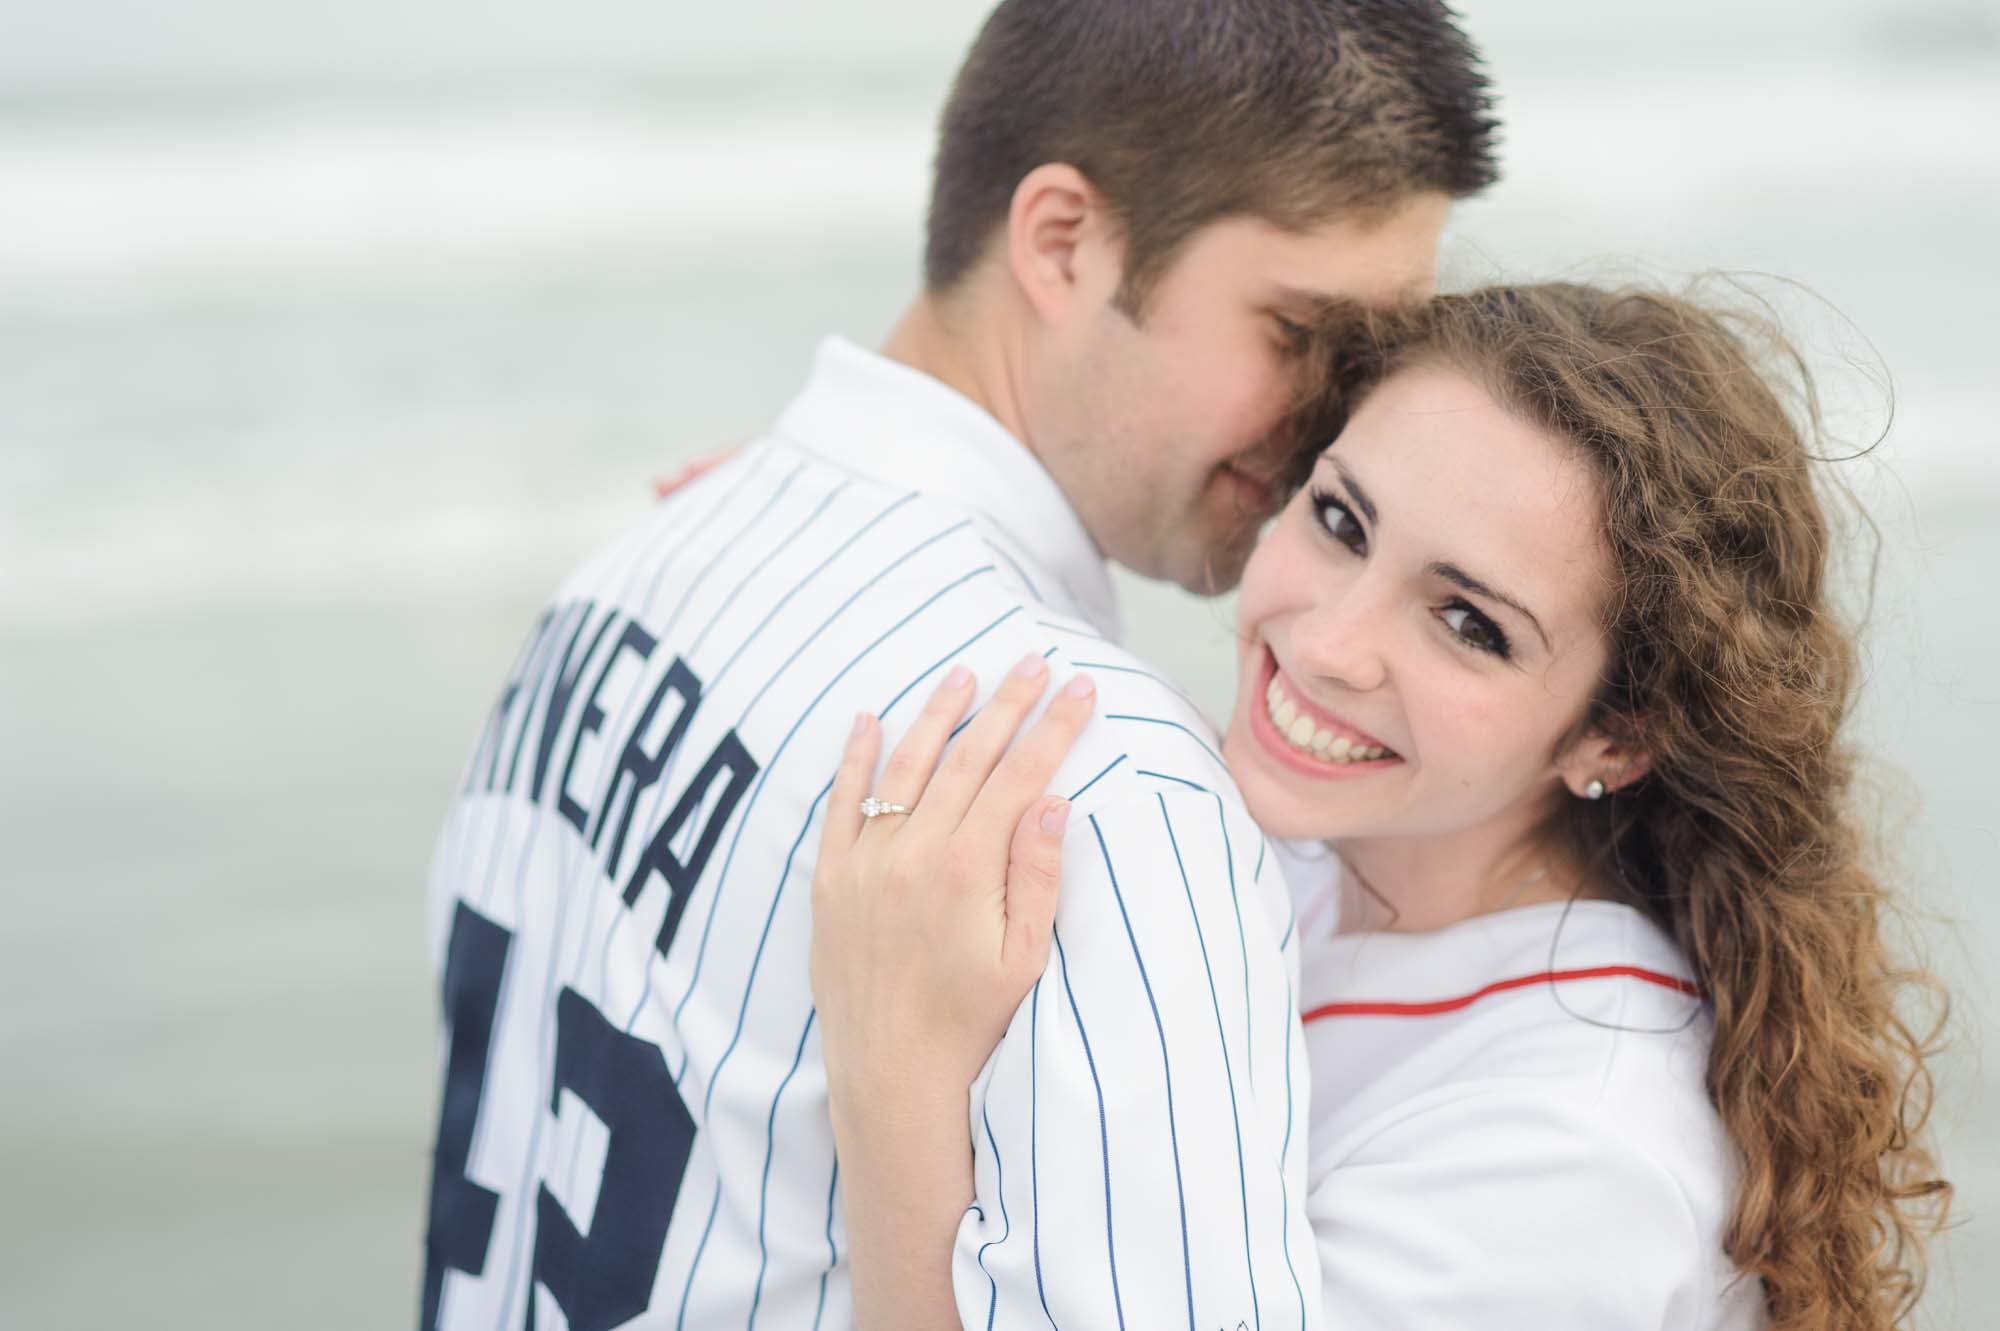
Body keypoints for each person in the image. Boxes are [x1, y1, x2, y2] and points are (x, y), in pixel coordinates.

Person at [416, 2, 1498, 1328]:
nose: (1343, 412)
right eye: (1297, 333)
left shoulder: (618, 581)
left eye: (1369, 355)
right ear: (1064, 242)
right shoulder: (1096, 798)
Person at [808, 282, 1952, 1330]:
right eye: (1341, 522)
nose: (1326, 640)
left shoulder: (1569, 1158)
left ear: (1617, 732)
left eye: (1467, 623)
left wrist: (890, 1086)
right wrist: (812, 511)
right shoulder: (1321, 855)